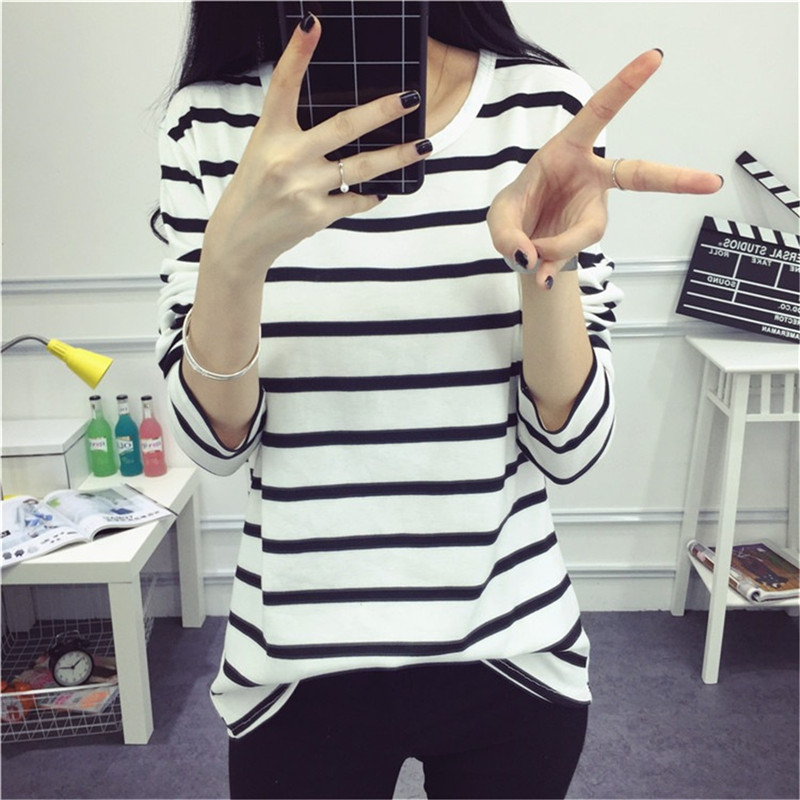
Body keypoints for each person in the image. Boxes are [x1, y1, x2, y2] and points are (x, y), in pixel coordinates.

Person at [153, 3, 722, 797]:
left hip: (512, 650)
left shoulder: (540, 106)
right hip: (296, 661)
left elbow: (572, 448)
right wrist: (232, 259)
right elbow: (216, 443)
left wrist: (542, 262)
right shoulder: (208, 123)